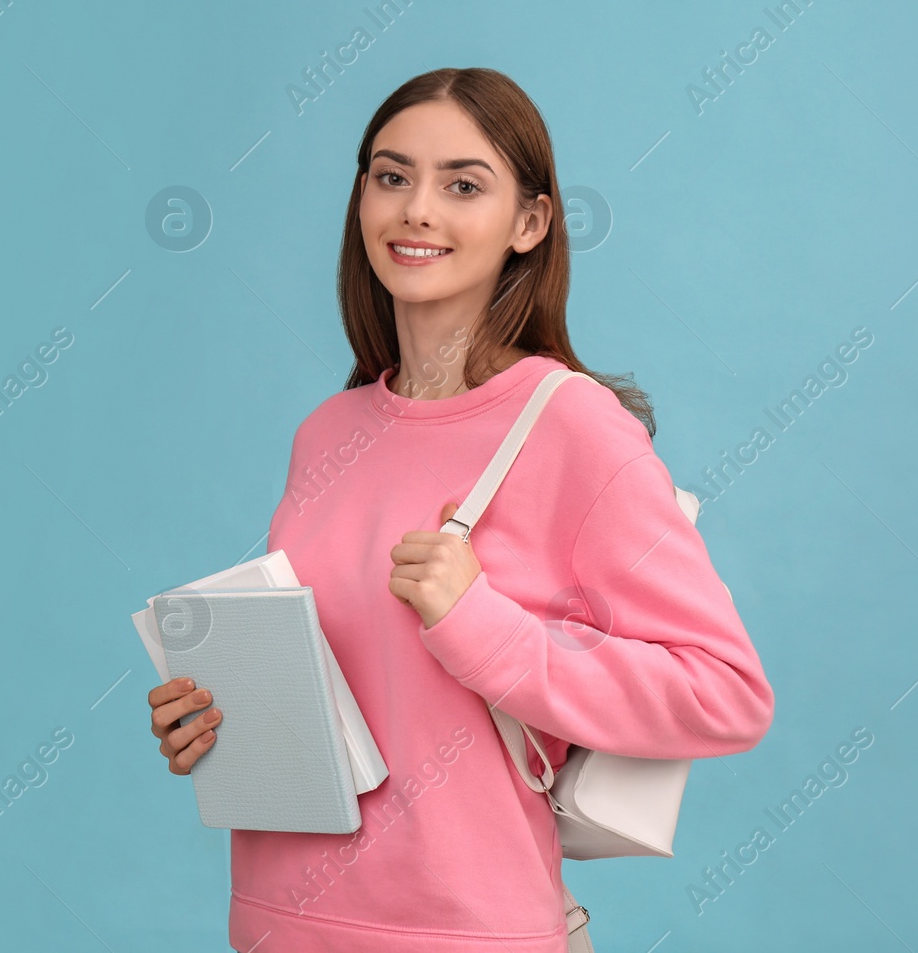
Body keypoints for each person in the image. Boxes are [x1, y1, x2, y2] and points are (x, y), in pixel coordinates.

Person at [147, 67, 774, 952]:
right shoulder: (328, 433)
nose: (416, 210)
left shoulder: (570, 427)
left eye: (463, 184)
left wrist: (485, 627)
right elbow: (357, 694)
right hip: (276, 925)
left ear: (531, 223)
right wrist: (220, 725)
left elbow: (727, 692)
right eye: (391, 176)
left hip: (464, 934)